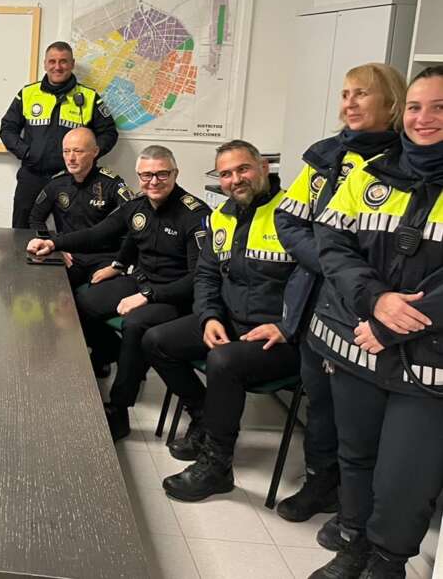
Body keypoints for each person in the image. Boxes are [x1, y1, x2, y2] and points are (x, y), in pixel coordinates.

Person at [307, 66, 443, 579]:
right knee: (356, 455)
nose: (424, 118)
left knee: (406, 475)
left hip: (426, 361)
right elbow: (333, 243)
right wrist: (376, 299)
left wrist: (392, 322)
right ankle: (353, 544)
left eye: (440, 108)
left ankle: (386, 564)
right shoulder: (370, 173)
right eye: (416, 107)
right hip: (358, 341)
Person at [273, 63, 405, 540]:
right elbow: (289, 221)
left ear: (391, 102)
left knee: (361, 419)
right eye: (345, 94)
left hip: (369, 311)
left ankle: (359, 510)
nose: (350, 103)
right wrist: (332, 264)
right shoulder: (324, 156)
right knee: (320, 403)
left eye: (362, 94)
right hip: (315, 304)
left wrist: (349, 276)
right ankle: (321, 482)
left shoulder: (405, 163)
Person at [143, 140, 298, 502]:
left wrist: (286, 326)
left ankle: (217, 464)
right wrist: (210, 316)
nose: (235, 179)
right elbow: (207, 276)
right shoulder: (220, 217)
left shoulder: (292, 213)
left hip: (280, 335)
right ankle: (204, 416)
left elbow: (316, 282)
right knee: (156, 340)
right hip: (231, 319)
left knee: (223, 361)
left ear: (263, 167)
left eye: (243, 169)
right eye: (226, 174)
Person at [27, 145, 207, 440]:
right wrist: (55, 244)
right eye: (146, 175)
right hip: (141, 281)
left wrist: (147, 296)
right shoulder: (138, 206)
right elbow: (99, 233)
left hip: (174, 294)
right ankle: (113, 353)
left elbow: (197, 278)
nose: (154, 181)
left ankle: (119, 408)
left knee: (135, 324)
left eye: (162, 174)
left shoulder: (194, 214)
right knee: (80, 301)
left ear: (175, 173)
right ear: (138, 176)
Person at [0, 40, 117, 228]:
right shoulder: (28, 93)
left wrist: (88, 156)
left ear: (72, 64)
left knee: (74, 231)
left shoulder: (89, 97)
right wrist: (26, 153)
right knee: (22, 229)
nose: (57, 67)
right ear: (45, 64)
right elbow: (7, 128)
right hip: (33, 175)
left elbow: (109, 133)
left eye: (63, 61)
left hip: (73, 179)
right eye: (52, 61)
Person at [28, 127, 134, 286]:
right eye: (66, 151)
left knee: (102, 295)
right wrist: (51, 245)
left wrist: (119, 263)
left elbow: (133, 221)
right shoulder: (56, 183)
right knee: (44, 286)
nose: (71, 158)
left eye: (78, 151)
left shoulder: (112, 184)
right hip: (68, 252)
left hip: (103, 257)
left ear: (95, 152)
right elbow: (35, 218)